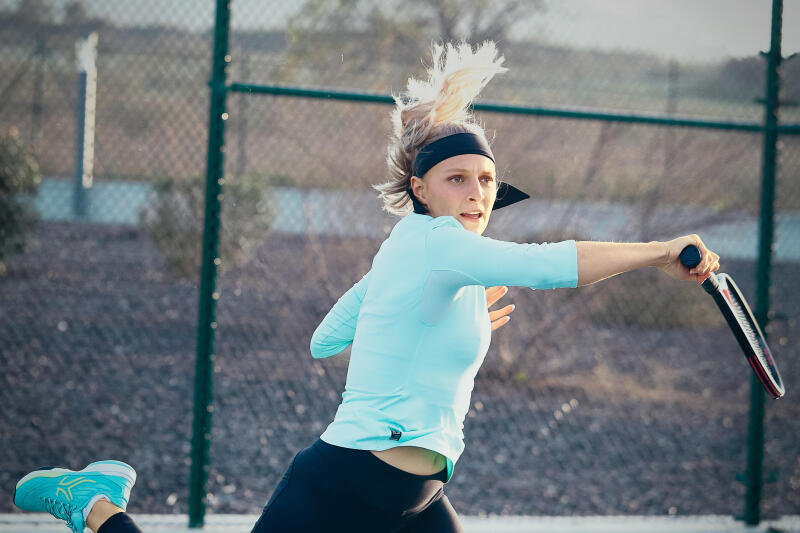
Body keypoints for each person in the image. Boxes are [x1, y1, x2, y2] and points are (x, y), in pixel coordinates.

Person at [13, 41, 720, 533]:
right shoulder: (436, 244)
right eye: (457, 179)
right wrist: (659, 251)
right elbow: (544, 265)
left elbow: (327, 340)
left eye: (486, 180)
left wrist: (415, 319)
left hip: (414, 494)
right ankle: (96, 502)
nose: (477, 193)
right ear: (420, 188)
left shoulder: (408, 258)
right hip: (348, 477)